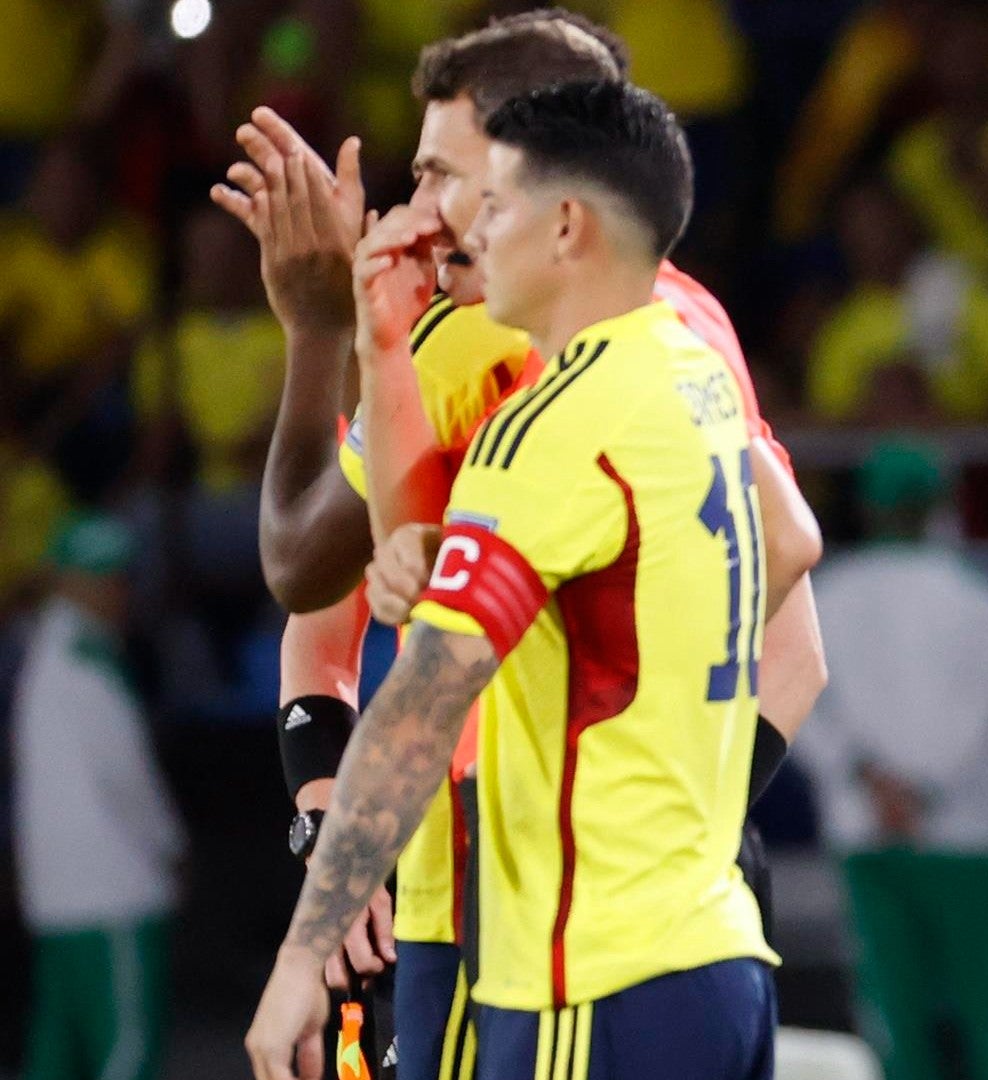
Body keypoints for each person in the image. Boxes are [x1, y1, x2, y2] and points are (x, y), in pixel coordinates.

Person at [212, 11, 827, 1080]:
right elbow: (793, 555)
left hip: (557, 934)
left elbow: (389, 658)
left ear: (547, 201)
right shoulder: (688, 342)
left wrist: (323, 331)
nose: (422, 209)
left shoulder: (545, 413)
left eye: (453, 178)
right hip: (707, 921)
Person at [794, 441, 988, 1080]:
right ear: (939, 504)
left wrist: (868, 780)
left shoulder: (827, 593)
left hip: (867, 828)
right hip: (966, 833)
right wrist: (921, 790)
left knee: (892, 1023)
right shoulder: (977, 594)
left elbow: (796, 696)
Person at [13, 512, 185, 1080]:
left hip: (57, 895)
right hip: (113, 892)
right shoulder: (84, 660)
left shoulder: (47, 651)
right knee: (124, 1052)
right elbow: (125, 775)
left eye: (122, 576)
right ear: (69, 582)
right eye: (106, 577)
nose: (119, 591)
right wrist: (170, 845)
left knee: (56, 1057)